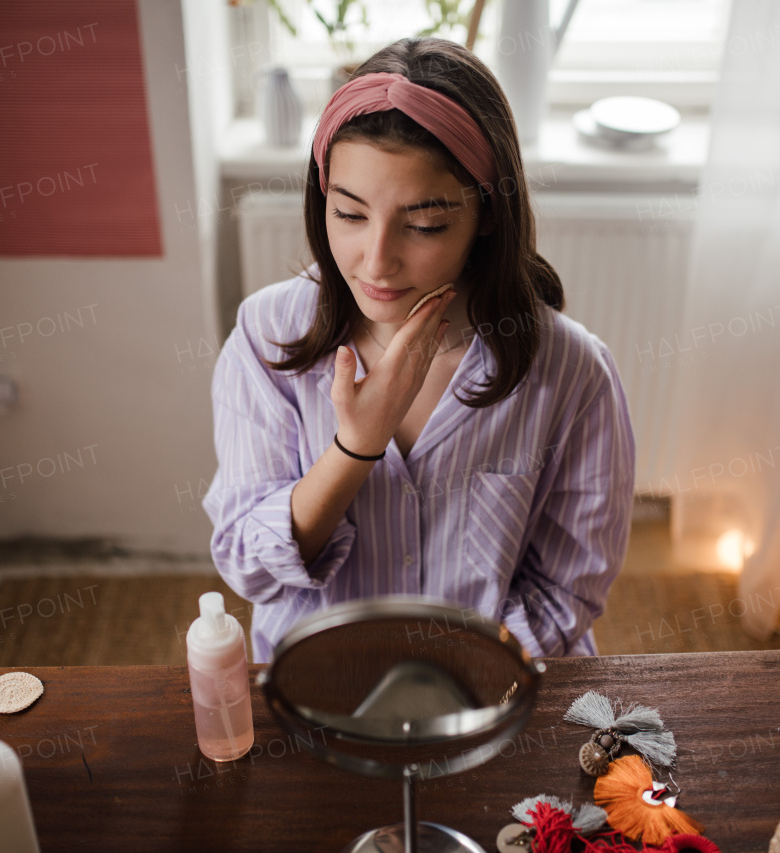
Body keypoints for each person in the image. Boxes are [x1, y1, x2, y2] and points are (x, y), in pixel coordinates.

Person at [202, 37, 634, 663]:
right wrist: (355, 448)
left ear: (487, 214)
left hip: (494, 682)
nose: (376, 261)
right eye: (349, 214)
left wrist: (451, 682)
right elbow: (251, 569)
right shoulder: (268, 335)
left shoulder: (571, 371)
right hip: (319, 681)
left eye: (425, 225)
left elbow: (568, 589)